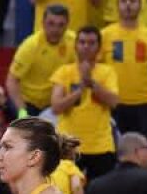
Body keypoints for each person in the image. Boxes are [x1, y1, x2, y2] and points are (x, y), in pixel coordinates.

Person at [50, 26, 119, 180]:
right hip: (69, 146)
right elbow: (56, 107)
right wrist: (79, 90)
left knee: (100, 192)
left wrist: (91, 83)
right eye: (82, 42)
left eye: (91, 43)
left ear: (99, 47)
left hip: (101, 146)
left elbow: (114, 102)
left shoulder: (107, 72)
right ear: (75, 46)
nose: (86, 46)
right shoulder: (64, 72)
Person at [100, 0, 147, 142]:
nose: (128, 4)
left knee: (142, 145)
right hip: (113, 102)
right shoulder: (105, 34)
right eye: (123, 1)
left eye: (132, 1)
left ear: (140, 6)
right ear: (117, 6)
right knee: (114, 145)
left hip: (143, 102)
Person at [6, 4, 74, 117]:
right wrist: (22, 111)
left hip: (55, 101)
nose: (55, 29)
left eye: (61, 25)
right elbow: (12, 80)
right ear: (42, 23)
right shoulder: (30, 45)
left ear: (67, 25)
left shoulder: (74, 42)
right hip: (28, 101)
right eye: (51, 24)